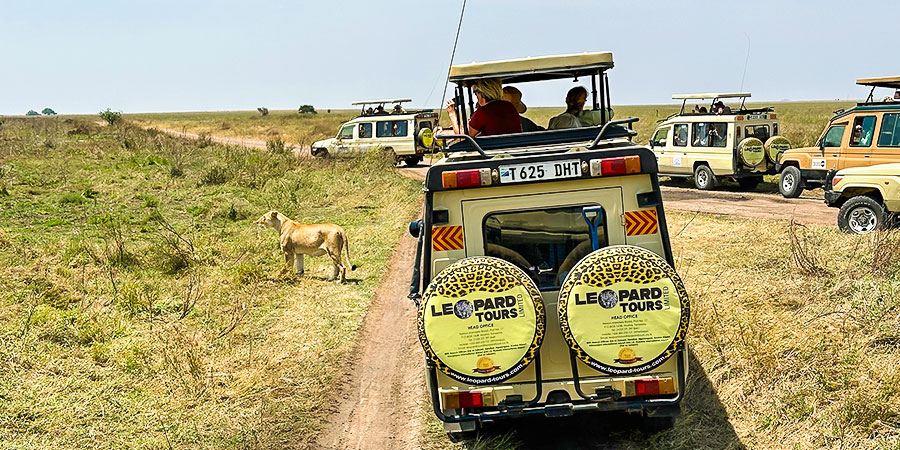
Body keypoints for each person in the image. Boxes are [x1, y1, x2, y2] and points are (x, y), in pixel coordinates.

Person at [445, 78, 522, 137]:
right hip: (514, 146)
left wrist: (452, 114)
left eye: (476, 93)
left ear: (481, 94)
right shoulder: (509, 106)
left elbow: (462, 137)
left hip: (491, 150)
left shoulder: (483, 111)